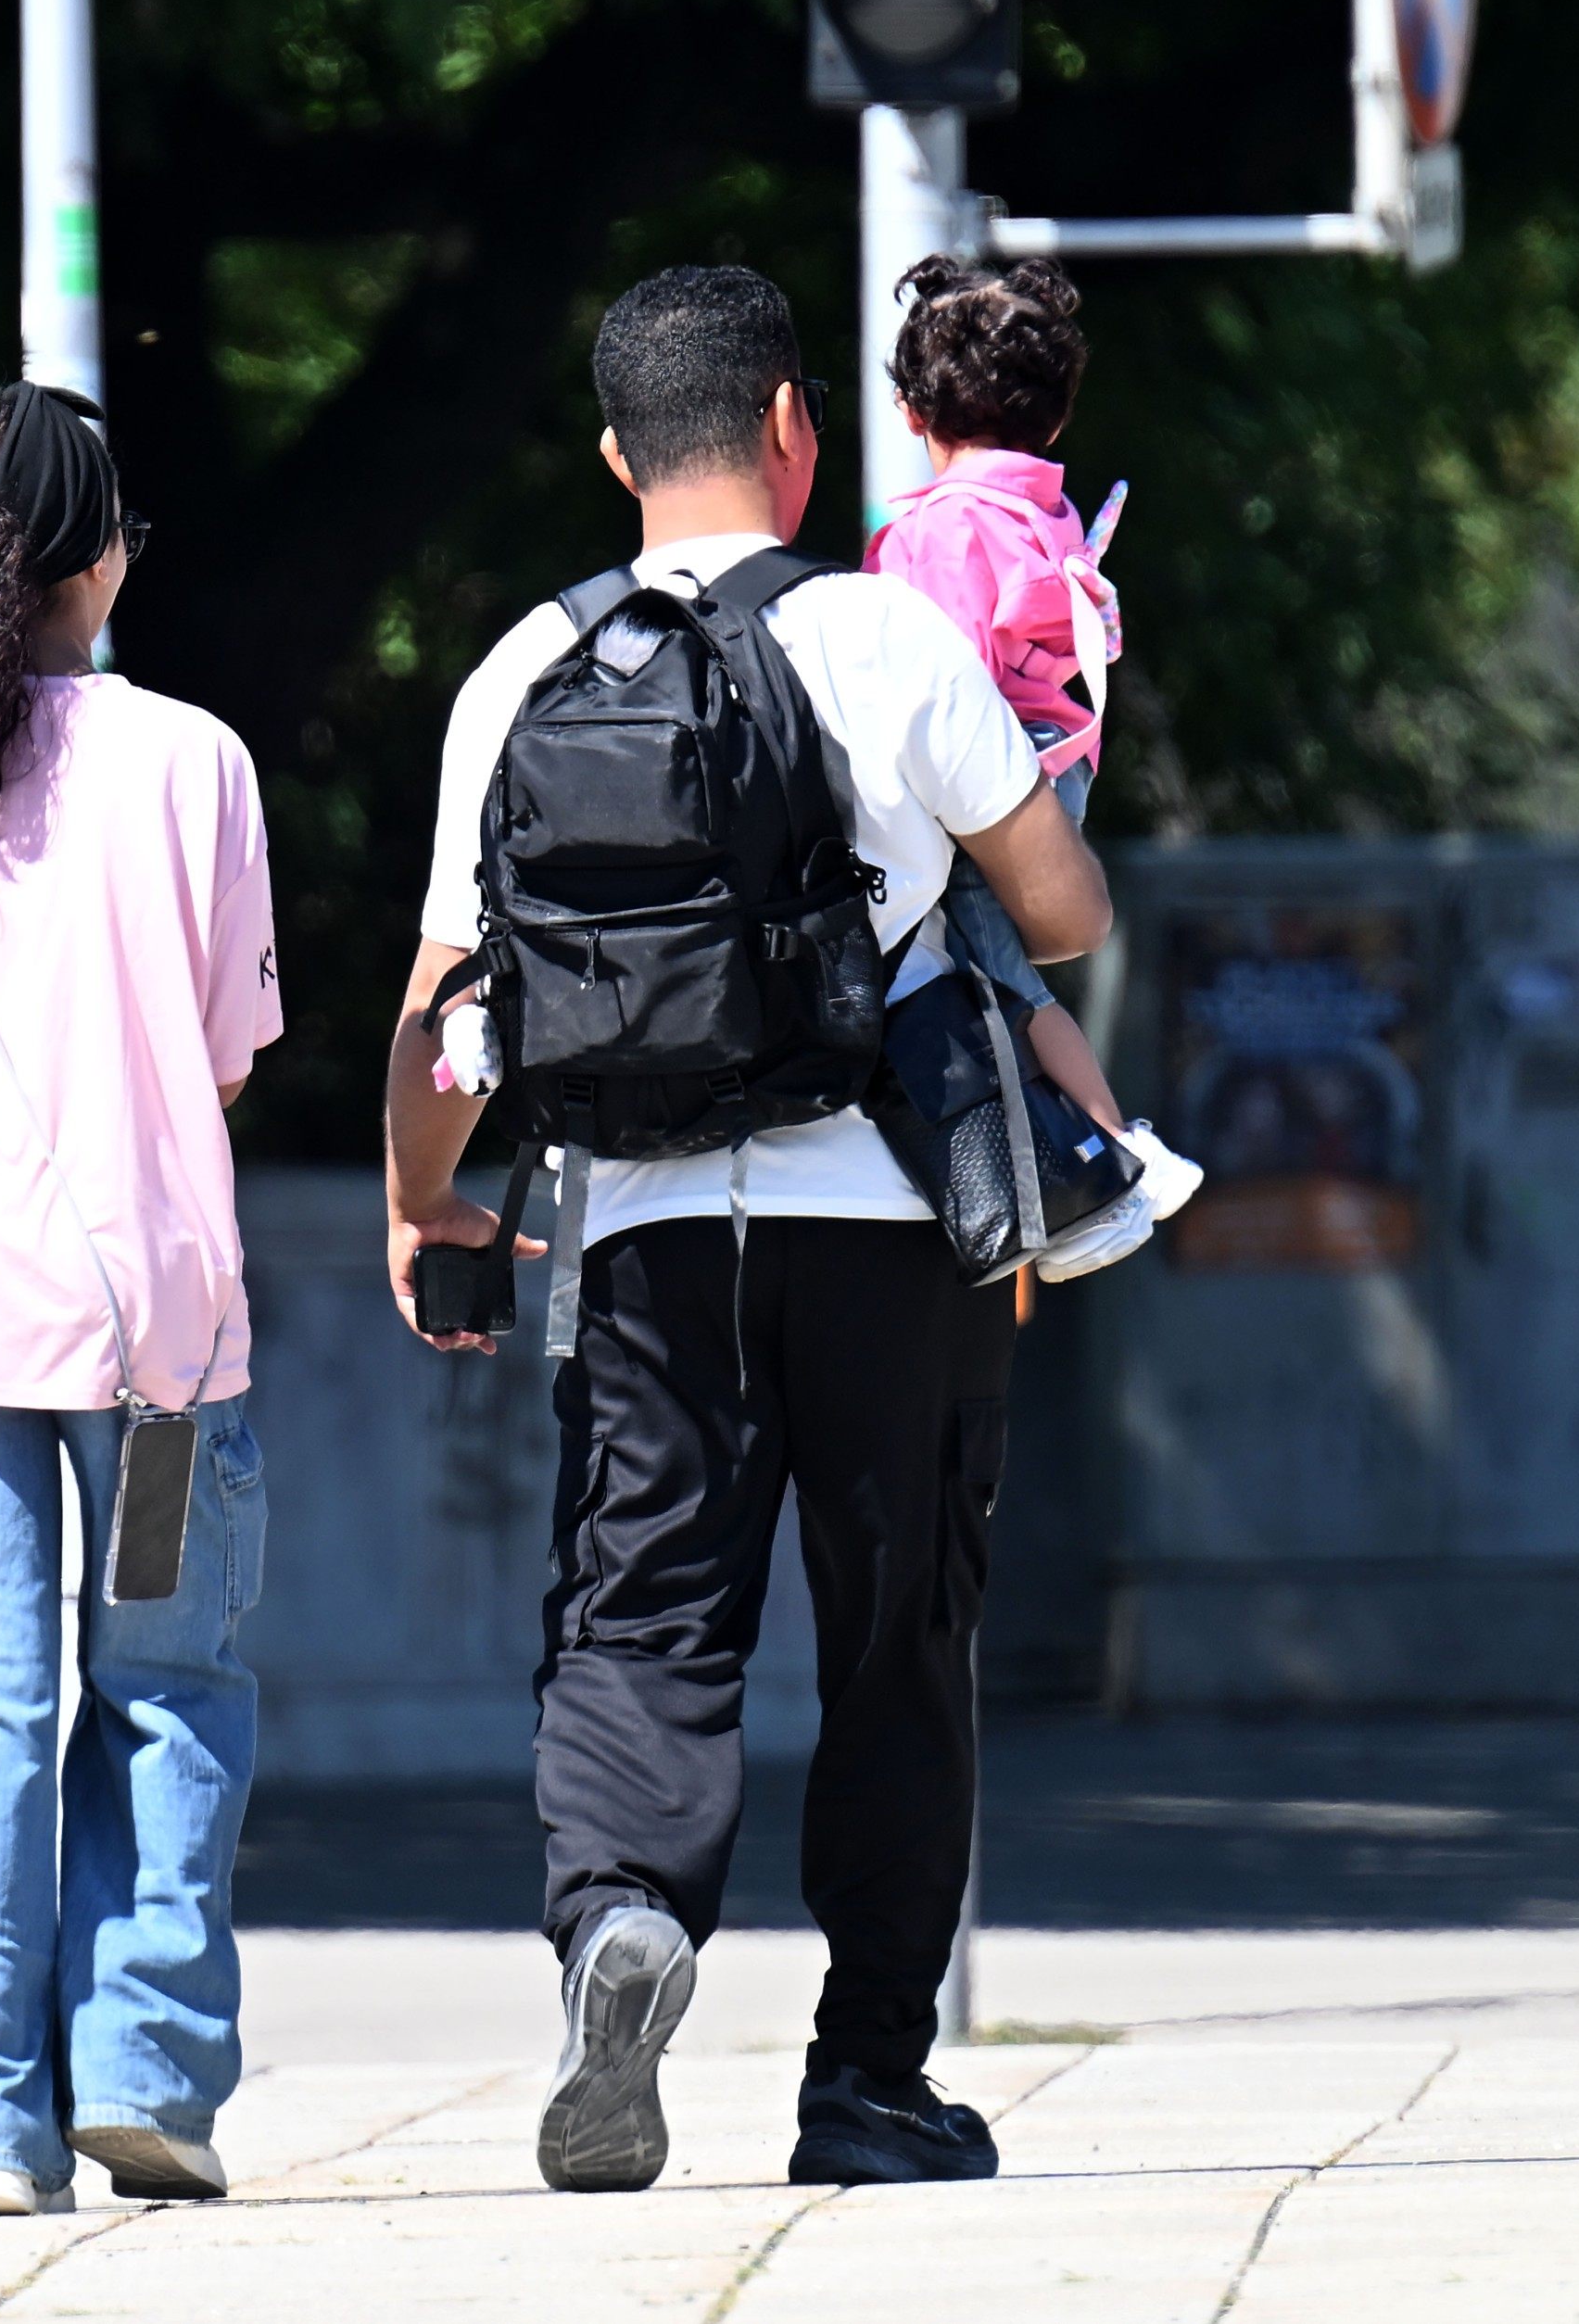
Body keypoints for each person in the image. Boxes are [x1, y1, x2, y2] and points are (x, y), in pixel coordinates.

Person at [383, 265, 1114, 2193]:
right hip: (887, 1216)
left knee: (638, 1609)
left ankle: (621, 1911)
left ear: (616, 449)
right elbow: (1062, 913)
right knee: (897, 1638)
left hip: (635, 1232)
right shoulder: (882, 636)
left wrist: (428, 1202)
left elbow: (443, 1001)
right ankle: (868, 2078)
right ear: (796, 426)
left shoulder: (519, 670)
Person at [0, 381, 284, 2220]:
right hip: (156, 1326)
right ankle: (152, 2074)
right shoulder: (195, 758)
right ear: (98, 557)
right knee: (166, 1684)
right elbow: (234, 1052)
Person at [867, 253, 1203, 1279]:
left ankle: (1114, 1161)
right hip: (1053, 788)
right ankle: (1106, 1150)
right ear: (1053, 421)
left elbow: (930, 686)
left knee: (1007, 991)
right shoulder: (1050, 520)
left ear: (908, 410)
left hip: (980, 797)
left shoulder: (933, 531)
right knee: (1002, 982)